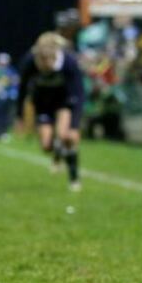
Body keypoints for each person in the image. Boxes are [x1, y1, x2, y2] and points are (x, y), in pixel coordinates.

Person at [17, 32, 85, 191]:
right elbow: (22, 90)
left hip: (64, 102)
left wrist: (74, 125)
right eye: (42, 57)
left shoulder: (68, 63)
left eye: (48, 57)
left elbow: (79, 93)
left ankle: (74, 179)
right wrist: (19, 116)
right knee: (46, 145)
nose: (45, 62)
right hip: (42, 103)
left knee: (66, 135)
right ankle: (57, 154)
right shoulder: (30, 62)